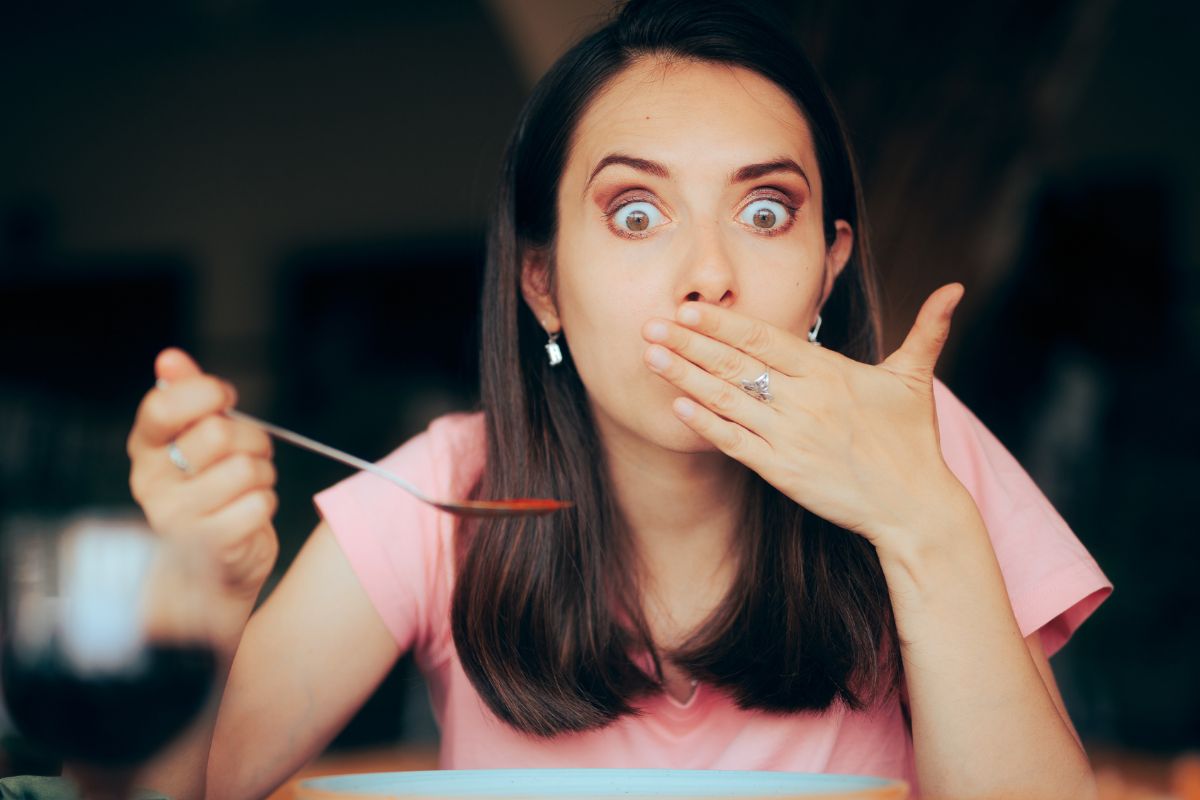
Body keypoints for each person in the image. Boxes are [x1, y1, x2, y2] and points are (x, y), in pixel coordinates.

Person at [124, 1, 1112, 797]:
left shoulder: (919, 445)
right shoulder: (447, 488)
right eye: (636, 213)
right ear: (541, 281)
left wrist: (922, 519)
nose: (709, 276)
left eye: (766, 211)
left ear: (827, 270)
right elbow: (187, 787)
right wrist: (196, 591)